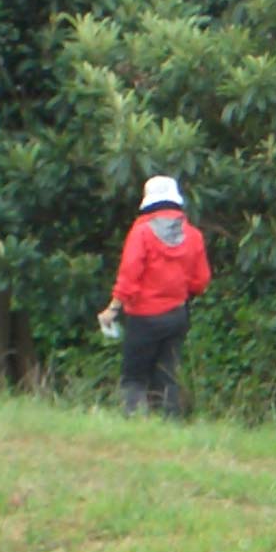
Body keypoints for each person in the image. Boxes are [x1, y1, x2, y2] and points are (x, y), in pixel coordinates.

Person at [97, 175, 211, 416]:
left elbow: (129, 275)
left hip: (143, 317)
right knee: (167, 375)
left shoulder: (141, 233)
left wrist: (113, 309)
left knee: (134, 376)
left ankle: (136, 421)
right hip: (177, 315)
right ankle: (170, 425)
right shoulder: (193, 235)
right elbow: (201, 281)